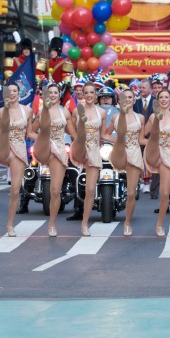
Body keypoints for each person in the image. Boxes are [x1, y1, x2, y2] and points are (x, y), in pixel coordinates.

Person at [28, 83, 75, 237]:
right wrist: (42, 139)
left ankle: (52, 224)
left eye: (56, 92)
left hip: (60, 151)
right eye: (50, 92)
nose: (53, 95)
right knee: (31, 172)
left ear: (59, 95)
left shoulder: (65, 113)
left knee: (55, 191)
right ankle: (25, 199)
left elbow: (73, 133)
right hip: (43, 149)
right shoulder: (41, 112)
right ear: (45, 95)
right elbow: (30, 132)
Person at [144, 88, 170, 238]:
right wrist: (151, 144)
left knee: (164, 193)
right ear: (157, 100)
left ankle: (159, 224)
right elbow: (142, 136)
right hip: (154, 151)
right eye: (161, 97)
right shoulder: (151, 116)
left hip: (168, 154)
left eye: (166, 97)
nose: (163, 99)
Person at [0, 83, 30, 236]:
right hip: (5, 147)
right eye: (9, 91)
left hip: (19, 150)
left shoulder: (27, 110)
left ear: (19, 93)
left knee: (15, 190)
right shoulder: (1, 111)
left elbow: (29, 133)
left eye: (15, 91)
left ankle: (10, 225)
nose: (12, 93)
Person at [73, 83, 109, 237]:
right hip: (79, 149)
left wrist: (120, 141)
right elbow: (70, 131)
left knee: (90, 190)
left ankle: (84, 224)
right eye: (85, 92)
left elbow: (103, 136)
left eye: (91, 92)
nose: (88, 95)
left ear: (96, 95)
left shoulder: (101, 113)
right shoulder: (75, 111)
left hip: (94, 151)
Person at [113, 87, 146, 236]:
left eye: (130, 97)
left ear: (134, 100)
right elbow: (105, 134)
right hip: (119, 153)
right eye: (124, 97)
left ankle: (127, 222)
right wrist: (118, 141)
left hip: (134, 153)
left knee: (131, 193)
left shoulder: (140, 118)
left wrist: (155, 142)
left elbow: (141, 139)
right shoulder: (115, 117)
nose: (127, 100)